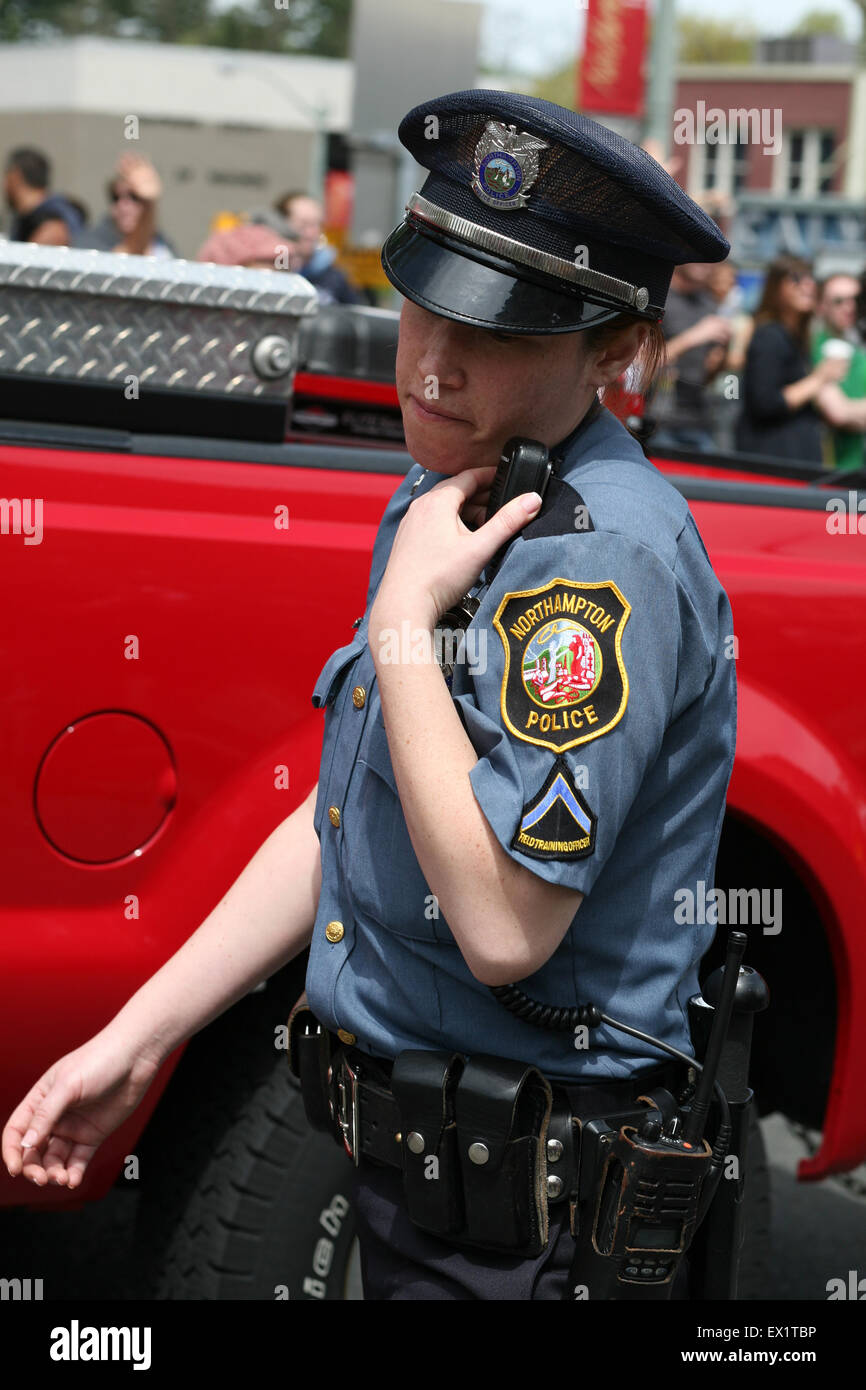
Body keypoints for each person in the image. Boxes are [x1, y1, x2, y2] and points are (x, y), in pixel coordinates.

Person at [2, 90, 739, 1302]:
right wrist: (138, 1034)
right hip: (409, 1177)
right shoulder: (453, 490)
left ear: (617, 351)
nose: (436, 363)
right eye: (423, 306)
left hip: (526, 1237)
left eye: (500, 332)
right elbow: (340, 823)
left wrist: (401, 625)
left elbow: (505, 927)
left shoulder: (596, 561)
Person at [734, 256, 848, 464]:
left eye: (811, 279)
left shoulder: (797, 338)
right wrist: (820, 378)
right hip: (772, 463)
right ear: (776, 287)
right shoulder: (769, 335)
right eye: (796, 278)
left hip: (795, 459)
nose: (808, 285)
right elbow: (766, 403)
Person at [645, 260, 732, 452]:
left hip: (700, 422)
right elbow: (641, 362)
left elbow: (709, 374)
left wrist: (720, 360)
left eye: (710, 257)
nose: (705, 262)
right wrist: (695, 336)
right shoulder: (658, 299)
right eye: (698, 255)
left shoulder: (709, 304)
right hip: (660, 422)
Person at [810, 272, 866, 473]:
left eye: (855, 300)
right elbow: (838, 413)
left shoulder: (858, 350)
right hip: (832, 474)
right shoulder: (815, 348)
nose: (849, 307)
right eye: (839, 301)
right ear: (821, 305)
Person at [73, 154, 176, 259]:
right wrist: (149, 206)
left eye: (134, 197)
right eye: (116, 197)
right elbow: (128, 256)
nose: (123, 205)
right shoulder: (89, 242)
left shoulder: (163, 244)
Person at [273, 190, 363, 304]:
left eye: (316, 225)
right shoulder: (268, 271)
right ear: (281, 226)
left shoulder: (334, 278)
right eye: (303, 225)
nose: (311, 233)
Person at [3, 146, 84, 245]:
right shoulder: (27, 220)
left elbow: (31, 258)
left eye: (5, 176)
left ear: (14, 176)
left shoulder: (52, 224)